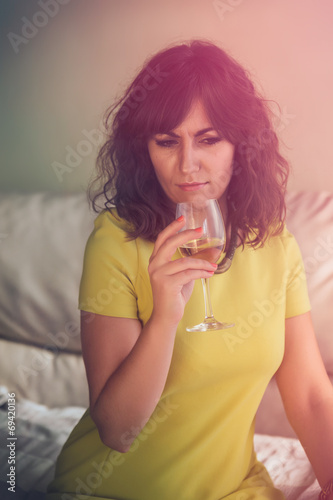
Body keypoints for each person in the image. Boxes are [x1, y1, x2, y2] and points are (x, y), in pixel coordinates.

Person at [46, 40, 333, 500]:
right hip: (112, 490)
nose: (187, 165)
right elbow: (117, 432)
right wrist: (164, 318)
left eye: (209, 139)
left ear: (241, 144)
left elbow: (312, 396)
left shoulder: (275, 242)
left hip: (234, 489)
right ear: (145, 150)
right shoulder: (115, 242)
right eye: (166, 141)